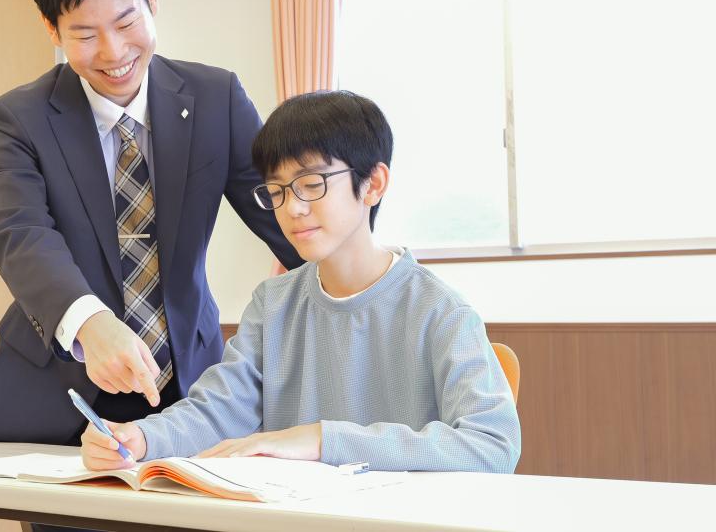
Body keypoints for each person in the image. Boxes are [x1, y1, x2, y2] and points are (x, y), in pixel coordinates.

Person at [0, 0, 302, 446]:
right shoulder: (19, 118)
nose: (114, 53)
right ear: (52, 30)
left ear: (152, 0)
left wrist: (372, 281)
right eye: (85, 34)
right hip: (58, 396)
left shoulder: (217, 100)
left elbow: (287, 213)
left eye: (125, 23)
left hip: (189, 390)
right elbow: (21, 235)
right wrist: (92, 325)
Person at [80, 91, 521, 473]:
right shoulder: (273, 304)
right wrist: (142, 438)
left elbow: (493, 446)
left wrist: (320, 441)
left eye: (311, 184)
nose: (292, 208)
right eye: (277, 191)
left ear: (373, 184)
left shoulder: (439, 310)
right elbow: (220, 410)